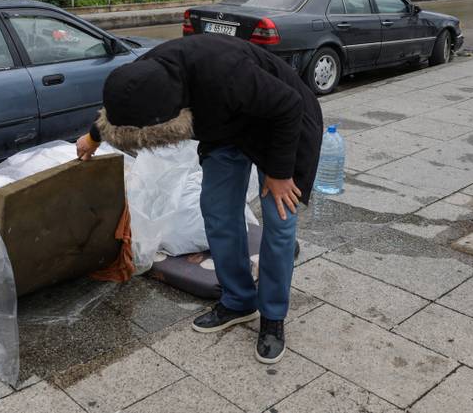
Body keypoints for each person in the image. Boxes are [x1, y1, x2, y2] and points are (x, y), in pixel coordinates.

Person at [76, 34, 322, 364]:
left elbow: (288, 105)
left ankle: (273, 317)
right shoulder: (143, 74)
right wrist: (93, 137)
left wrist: (278, 174)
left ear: (171, 115)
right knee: (217, 211)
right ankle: (238, 301)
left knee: (278, 221)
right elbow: (123, 109)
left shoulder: (226, 73)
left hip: (282, 125)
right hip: (226, 130)